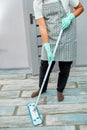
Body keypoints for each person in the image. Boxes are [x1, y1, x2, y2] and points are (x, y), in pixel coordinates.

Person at [31, 0, 84, 101]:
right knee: (45, 66)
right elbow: (42, 26)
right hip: (50, 36)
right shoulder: (37, 2)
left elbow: (80, 8)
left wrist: (70, 17)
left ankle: (60, 90)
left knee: (65, 66)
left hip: (66, 34)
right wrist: (47, 45)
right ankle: (42, 88)